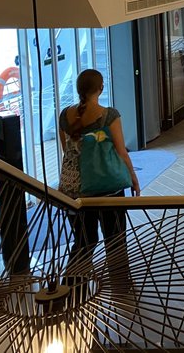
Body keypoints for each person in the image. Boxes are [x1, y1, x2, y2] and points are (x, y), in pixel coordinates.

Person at [58, 69, 139, 273]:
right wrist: (133, 178)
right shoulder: (109, 115)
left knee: (84, 241)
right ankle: (119, 282)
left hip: (73, 191)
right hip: (106, 188)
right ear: (101, 88)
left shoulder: (64, 116)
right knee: (115, 239)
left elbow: (67, 152)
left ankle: (73, 284)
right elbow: (122, 152)